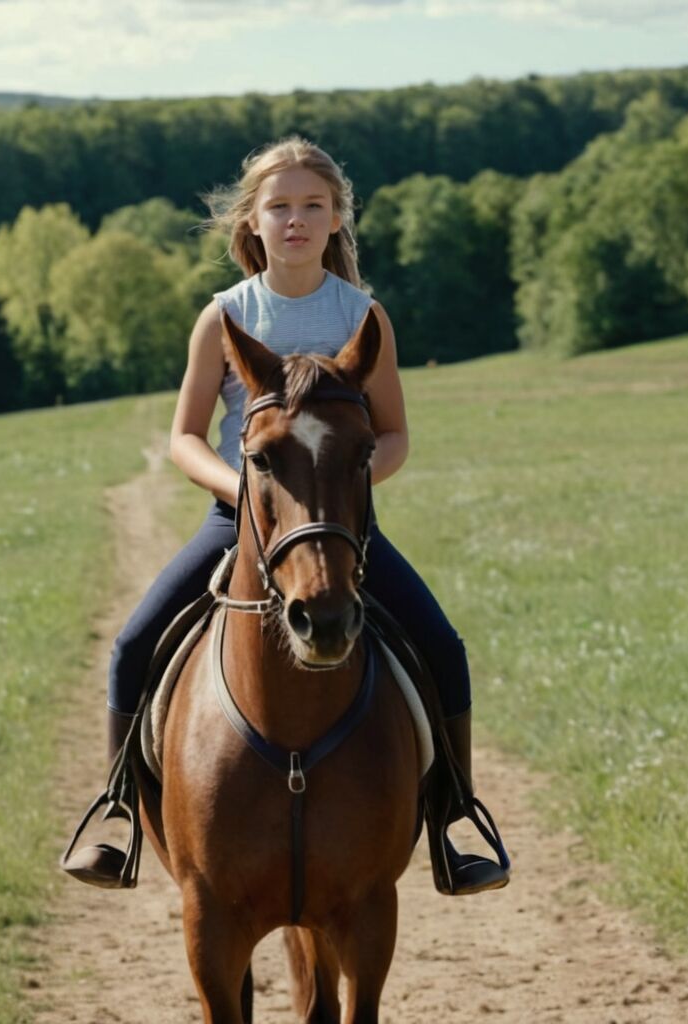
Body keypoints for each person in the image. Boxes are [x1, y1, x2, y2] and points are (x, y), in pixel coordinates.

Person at [62, 135, 509, 895]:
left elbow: (394, 431)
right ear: (253, 222)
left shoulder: (362, 316)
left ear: (338, 219)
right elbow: (183, 435)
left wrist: (351, 489)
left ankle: (453, 820)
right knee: (134, 643)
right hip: (239, 520)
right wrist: (244, 492)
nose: (296, 220)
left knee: (441, 645)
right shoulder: (226, 316)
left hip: (337, 524)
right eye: (280, 207)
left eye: (313, 206)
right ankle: (117, 815)